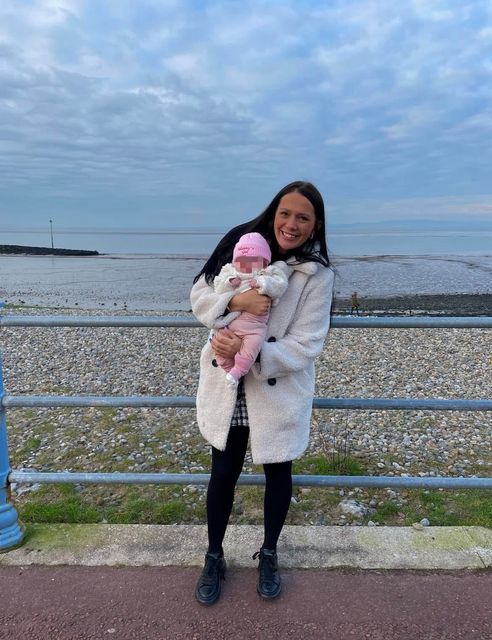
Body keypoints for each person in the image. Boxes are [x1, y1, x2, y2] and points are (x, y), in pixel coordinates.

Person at [190, 180, 334, 605]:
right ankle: (214, 555)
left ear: (315, 225)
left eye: (302, 218)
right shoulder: (240, 243)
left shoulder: (316, 274)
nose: (291, 224)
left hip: (276, 385)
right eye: (285, 213)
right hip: (227, 380)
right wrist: (235, 308)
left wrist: (250, 354)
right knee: (224, 471)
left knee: (278, 474)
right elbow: (199, 292)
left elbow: (307, 343)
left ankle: (268, 553)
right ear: (274, 212)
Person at [212, 232, 291, 386]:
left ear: (265, 262)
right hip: (231, 323)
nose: (247, 265)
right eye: (242, 261)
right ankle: (229, 371)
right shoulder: (231, 272)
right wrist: (229, 283)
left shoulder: (267, 273)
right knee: (218, 345)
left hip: (255, 327)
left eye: (254, 260)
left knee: (251, 346)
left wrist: (263, 284)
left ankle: (238, 371)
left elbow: (279, 285)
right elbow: (217, 286)